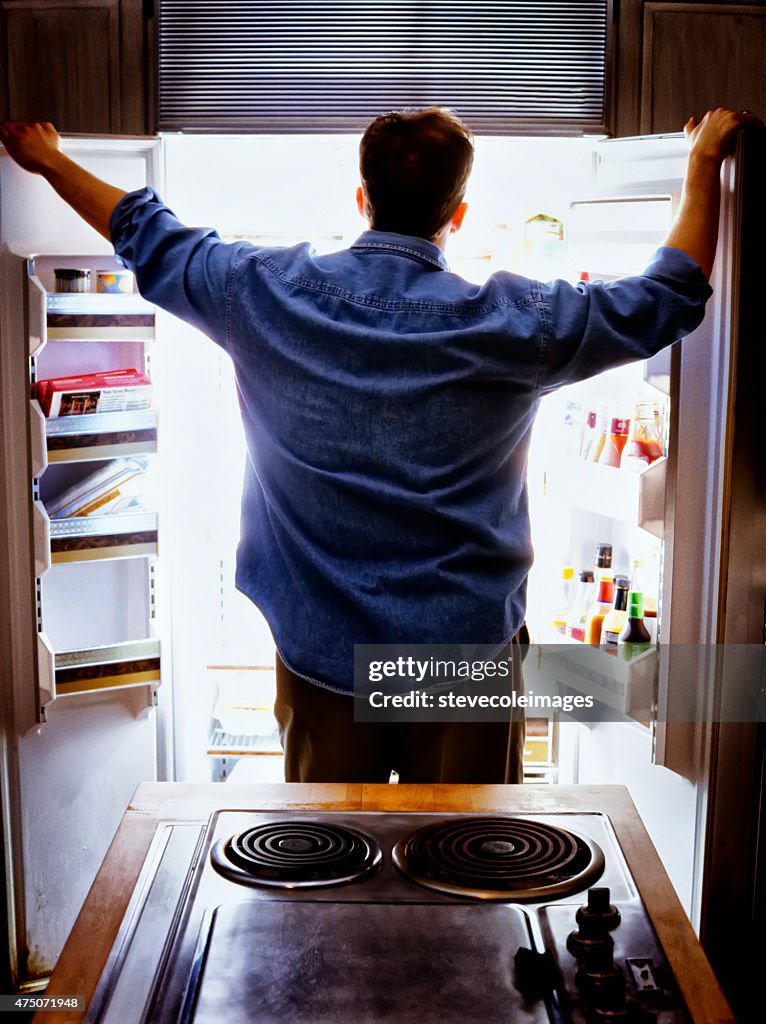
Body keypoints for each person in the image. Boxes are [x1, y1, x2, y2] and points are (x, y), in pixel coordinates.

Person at [0, 107, 756, 784]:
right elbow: (669, 296)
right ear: (457, 214)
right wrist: (700, 167)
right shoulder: (516, 323)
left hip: (322, 653)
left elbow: (143, 230)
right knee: (464, 874)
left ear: (361, 200)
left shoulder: (263, 290)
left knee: (330, 866)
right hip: (460, 660)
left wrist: (51, 159)